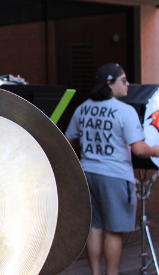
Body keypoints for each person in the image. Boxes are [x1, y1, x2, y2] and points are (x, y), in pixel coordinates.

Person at [65, 63, 159, 275]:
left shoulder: (83, 108)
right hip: (116, 177)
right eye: (123, 80)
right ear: (110, 83)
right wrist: (156, 150)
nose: (128, 85)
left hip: (88, 174)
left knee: (95, 227)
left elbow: (67, 140)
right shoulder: (125, 111)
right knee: (114, 231)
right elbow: (140, 149)